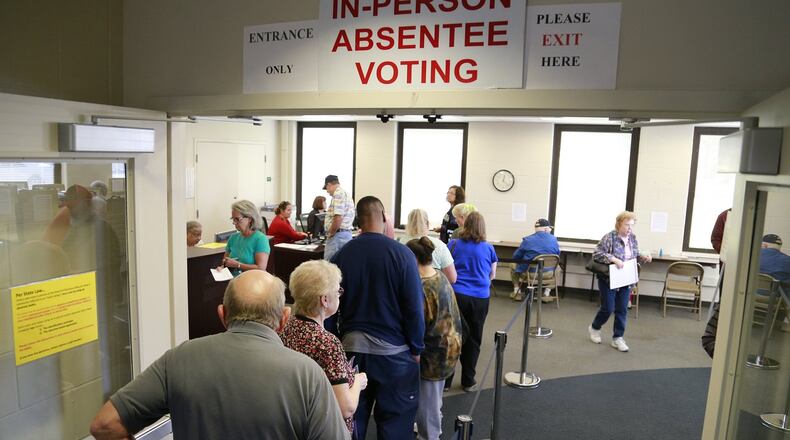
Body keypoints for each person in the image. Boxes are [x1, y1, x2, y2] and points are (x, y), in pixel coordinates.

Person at [89, 270, 349, 440]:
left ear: (222, 314)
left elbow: (103, 425)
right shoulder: (307, 374)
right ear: (284, 319)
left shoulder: (180, 358)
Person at [331, 196, 425, 440]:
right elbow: (414, 308)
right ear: (384, 217)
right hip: (394, 356)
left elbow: (329, 309)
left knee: (351, 422)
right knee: (395, 424)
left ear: (357, 221)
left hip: (351, 352)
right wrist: (416, 347)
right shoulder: (402, 255)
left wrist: (333, 352)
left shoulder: (341, 256)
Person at [279, 260, 368, 437]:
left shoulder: (286, 328)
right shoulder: (327, 343)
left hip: (295, 422)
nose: (340, 295)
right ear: (325, 300)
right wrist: (358, 381)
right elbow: (346, 408)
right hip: (325, 429)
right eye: (338, 291)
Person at [405, 237, 462, 440]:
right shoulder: (439, 276)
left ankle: (430, 435)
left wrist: (415, 351)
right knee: (433, 398)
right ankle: (430, 428)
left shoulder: (421, 286)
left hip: (434, 353)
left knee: (428, 403)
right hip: (450, 345)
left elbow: (418, 325)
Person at [446, 211, 497, 392]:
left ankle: (446, 381)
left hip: (457, 296)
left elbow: (447, 269)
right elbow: (492, 275)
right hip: (480, 298)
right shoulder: (489, 248)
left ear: (465, 226)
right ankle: (468, 380)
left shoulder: (453, 244)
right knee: (474, 339)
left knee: (453, 337)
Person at [587, 211, 652, 352]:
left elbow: (633, 255)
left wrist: (643, 257)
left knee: (622, 309)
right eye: (627, 225)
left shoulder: (632, 238)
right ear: (619, 224)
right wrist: (613, 259)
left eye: (632, 225)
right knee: (608, 308)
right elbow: (597, 254)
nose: (630, 228)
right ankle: (595, 327)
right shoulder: (609, 237)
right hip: (609, 278)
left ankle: (617, 338)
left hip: (626, 278)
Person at [399, 208, 457, 283]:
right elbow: (452, 278)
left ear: (408, 224)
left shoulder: (400, 244)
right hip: (434, 289)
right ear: (427, 224)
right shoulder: (439, 245)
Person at [509, 218, 561, 301]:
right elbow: (558, 255)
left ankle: (516, 292)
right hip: (549, 273)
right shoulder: (554, 239)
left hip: (531, 274)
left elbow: (515, 257)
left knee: (512, 264)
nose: (550, 230)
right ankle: (546, 293)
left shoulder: (527, 240)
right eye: (549, 228)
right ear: (545, 229)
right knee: (558, 267)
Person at [221, 200, 270, 276]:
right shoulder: (233, 238)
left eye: (237, 219)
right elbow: (226, 262)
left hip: (252, 282)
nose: (234, 222)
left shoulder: (260, 239)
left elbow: (261, 268)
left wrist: (238, 265)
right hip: (234, 281)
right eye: (233, 219)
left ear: (250, 219)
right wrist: (222, 268)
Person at [323, 174, 355, 261]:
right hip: (345, 235)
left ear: (329, 185)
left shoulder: (338, 194)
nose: (327, 191)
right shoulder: (346, 194)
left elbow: (338, 217)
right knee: (342, 265)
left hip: (337, 236)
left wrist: (331, 233)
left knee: (328, 268)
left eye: (326, 188)